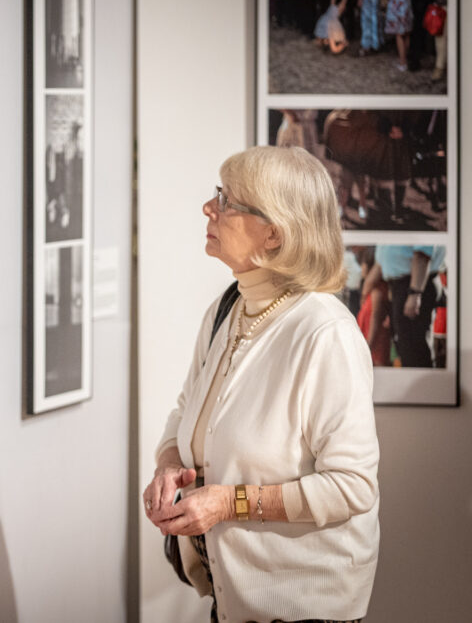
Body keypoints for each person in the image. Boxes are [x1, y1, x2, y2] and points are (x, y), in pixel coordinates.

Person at [143, 146, 379, 622]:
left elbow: (353, 487)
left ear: (273, 233)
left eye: (228, 201)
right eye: (217, 195)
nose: (210, 208)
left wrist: (229, 502)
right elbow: (184, 412)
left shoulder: (325, 333)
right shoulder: (227, 310)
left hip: (305, 609)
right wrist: (170, 465)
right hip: (231, 602)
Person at [370, 245, 444, 368]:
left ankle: (422, 386)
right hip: (401, 286)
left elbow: (422, 255)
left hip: (414, 284)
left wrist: (415, 294)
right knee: (405, 346)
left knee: (414, 347)